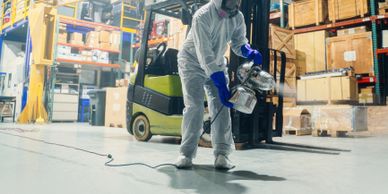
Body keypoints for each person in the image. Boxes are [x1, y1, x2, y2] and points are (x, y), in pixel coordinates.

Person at [176, 0, 263, 169]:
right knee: (195, 106)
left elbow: (238, 42)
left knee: (222, 107)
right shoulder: (202, 16)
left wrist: (248, 51)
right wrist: (220, 82)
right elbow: (204, 53)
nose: (236, 3)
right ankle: (186, 153)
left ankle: (222, 155)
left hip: (216, 63)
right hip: (192, 62)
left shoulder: (237, 17)